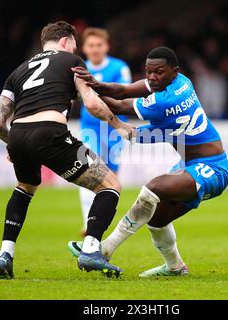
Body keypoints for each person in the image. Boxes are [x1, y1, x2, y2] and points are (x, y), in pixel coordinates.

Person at [68, 46, 228, 277]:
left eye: (158, 72)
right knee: (156, 219)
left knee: (152, 189)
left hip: (212, 168)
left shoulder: (164, 101)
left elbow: (118, 104)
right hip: (190, 166)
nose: (152, 77)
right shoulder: (179, 81)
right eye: (148, 71)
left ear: (173, 71)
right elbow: (122, 91)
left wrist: (83, 88)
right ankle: (175, 268)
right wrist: (95, 83)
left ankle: (103, 250)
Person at [0, 21, 134, 279]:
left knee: (25, 187)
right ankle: (90, 250)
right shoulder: (72, 60)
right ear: (67, 41)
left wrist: (12, 144)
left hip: (19, 134)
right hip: (51, 133)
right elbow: (91, 103)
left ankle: (5, 254)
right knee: (110, 184)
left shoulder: (19, 70)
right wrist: (118, 124)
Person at [78, 27, 131, 236]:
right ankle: (87, 223)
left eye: (99, 45)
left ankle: (102, 219)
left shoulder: (120, 67)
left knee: (111, 176)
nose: (95, 49)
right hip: (89, 128)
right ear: (84, 48)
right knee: (87, 170)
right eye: (91, 45)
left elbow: (123, 95)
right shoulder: (79, 69)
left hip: (113, 128)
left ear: (106, 46)